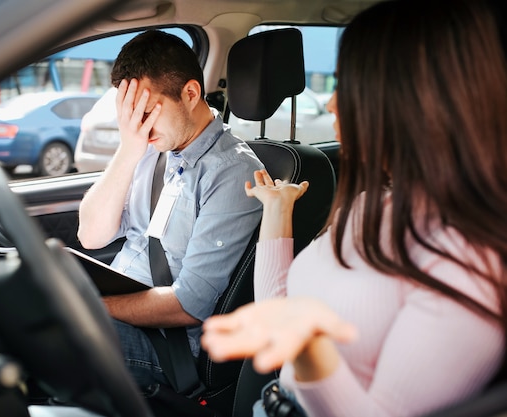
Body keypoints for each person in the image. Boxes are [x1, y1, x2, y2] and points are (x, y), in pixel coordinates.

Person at [201, 0, 507, 416]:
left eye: (345, 85)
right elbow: (283, 308)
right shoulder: (369, 204)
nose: (330, 105)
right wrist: (277, 211)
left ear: (405, 102)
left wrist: (308, 345)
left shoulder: (469, 265)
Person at [77, 29, 264, 387]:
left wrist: (95, 307)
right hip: (121, 312)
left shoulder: (233, 173)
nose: (138, 127)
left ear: (190, 93)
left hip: (167, 345)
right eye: (130, 114)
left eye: (146, 112)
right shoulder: (148, 149)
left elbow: (189, 305)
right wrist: (128, 150)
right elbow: (91, 236)